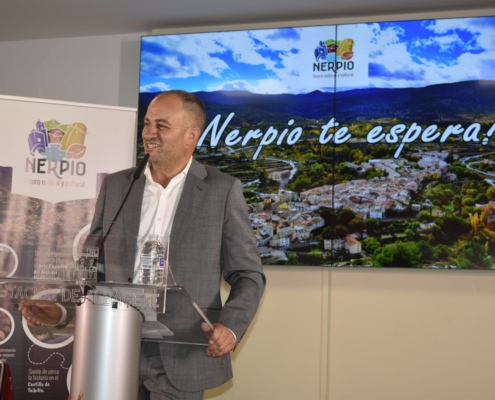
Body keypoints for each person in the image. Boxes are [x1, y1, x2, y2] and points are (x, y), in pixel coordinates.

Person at [21, 90, 265, 399]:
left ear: (192, 134)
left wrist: (229, 327)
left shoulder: (222, 190)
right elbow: (91, 264)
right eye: (147, 123)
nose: (149, 133)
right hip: (111, 345)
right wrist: (59, 307)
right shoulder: (117, 185)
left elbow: (248, 274)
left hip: (182, 352)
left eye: (162, 125)